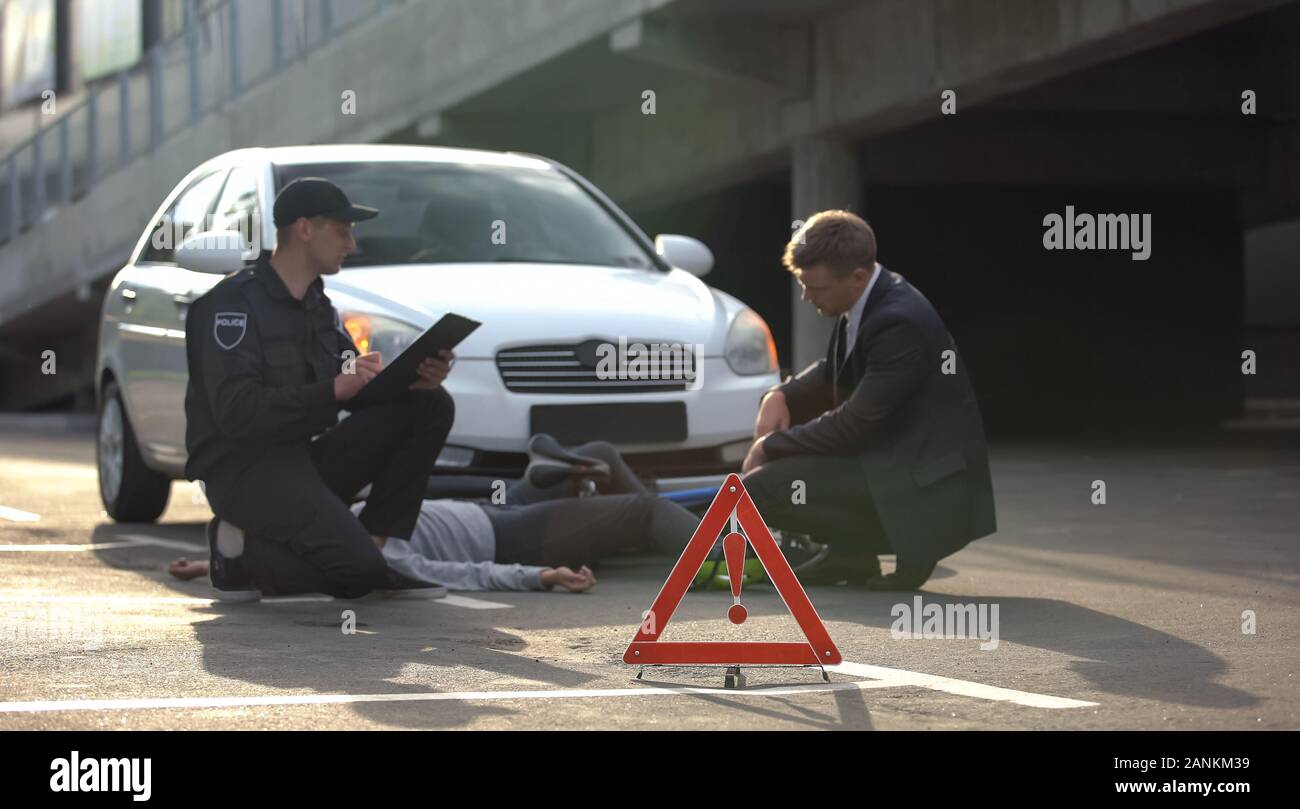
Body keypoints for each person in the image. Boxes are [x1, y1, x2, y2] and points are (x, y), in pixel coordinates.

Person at [184, 177, 456, 602]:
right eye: (342, 229)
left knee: (429, 406)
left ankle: (375, 548)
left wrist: (415, 379)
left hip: (301, 461)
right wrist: (332, 389)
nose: (351, 242)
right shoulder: (232, 306)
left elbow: (354, 388)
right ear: (305, 229)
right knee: (356, 574)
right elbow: (237, 413)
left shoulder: (319, 307)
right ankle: (238, 553)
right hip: (243, 472)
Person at [740, 210, 996, 590]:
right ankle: (851, 555)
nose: (807, 297)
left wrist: (769, 445)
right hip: (888, 456)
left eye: (816, 288)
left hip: (921, 483)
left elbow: (852, 426)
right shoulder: (870, 297)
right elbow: (837, 367)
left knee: (758, 490)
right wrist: (780, 393)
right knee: (776, 476)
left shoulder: (899, 322)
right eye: (802, 284)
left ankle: (889, 546)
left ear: (857, 277)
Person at [169, 442, 702, 593]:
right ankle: (733, 552)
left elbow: (269, 550)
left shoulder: (318, 528)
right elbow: (458, 575)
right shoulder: (373, 556)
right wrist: (539, 577)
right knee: (642, 509)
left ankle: (677, 542)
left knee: (601, 454)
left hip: (496, 506)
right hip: (509, 539)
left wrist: (203, 562)